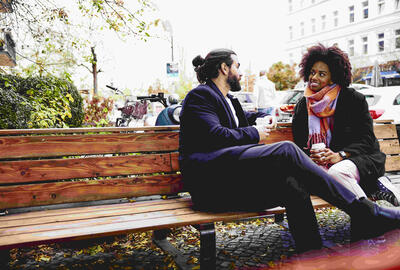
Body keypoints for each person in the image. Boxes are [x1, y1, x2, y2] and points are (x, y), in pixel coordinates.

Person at [179, 48, 400, 253]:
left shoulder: (229, 100)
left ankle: (313, 254)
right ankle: (368, 212)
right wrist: (256, 133)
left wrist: (266, 118)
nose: (241, 72)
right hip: (210, 188)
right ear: (225, 69)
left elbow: (244, 120)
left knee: (293, 185)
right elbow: (216, 136)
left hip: (233, 187)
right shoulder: (201, 96)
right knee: (286, 150)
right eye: (237, 66)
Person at [292, 43, 400, 206]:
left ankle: (370, 217)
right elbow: (300, 143)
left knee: (337, 171)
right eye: (313, 72)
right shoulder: (303, 105)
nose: (314, 78)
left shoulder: (353, 99)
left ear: (333, 77)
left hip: (358, 159)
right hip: (322, 164)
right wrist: (313, 156)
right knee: (319, 176)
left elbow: (366, 140)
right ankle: (374, 188)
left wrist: (340, 155)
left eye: (322, 74)